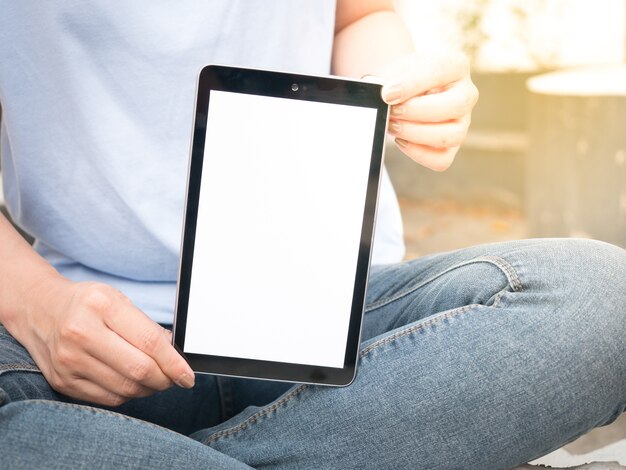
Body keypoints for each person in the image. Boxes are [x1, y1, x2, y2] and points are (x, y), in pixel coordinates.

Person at [0, 1, 624, 468]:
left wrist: (401, 86)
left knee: (605, 302)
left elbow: (358, 13)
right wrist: (40, 306)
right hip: (76, 338)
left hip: (331, 309)